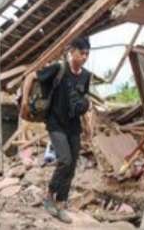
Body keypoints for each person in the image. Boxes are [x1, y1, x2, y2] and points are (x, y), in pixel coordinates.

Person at [28, 36, 92, 224]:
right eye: (82, 53)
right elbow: (31, 77)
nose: (85, 57)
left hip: (74, 126)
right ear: (72, 52)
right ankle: (49, 197)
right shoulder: (59, 68)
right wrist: (24, 103)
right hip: (55, 122)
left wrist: (87, 126)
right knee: (64, 159)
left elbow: (83, 99)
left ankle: (61, 204)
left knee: (71, 167)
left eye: (87, 54)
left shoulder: (86, 76)